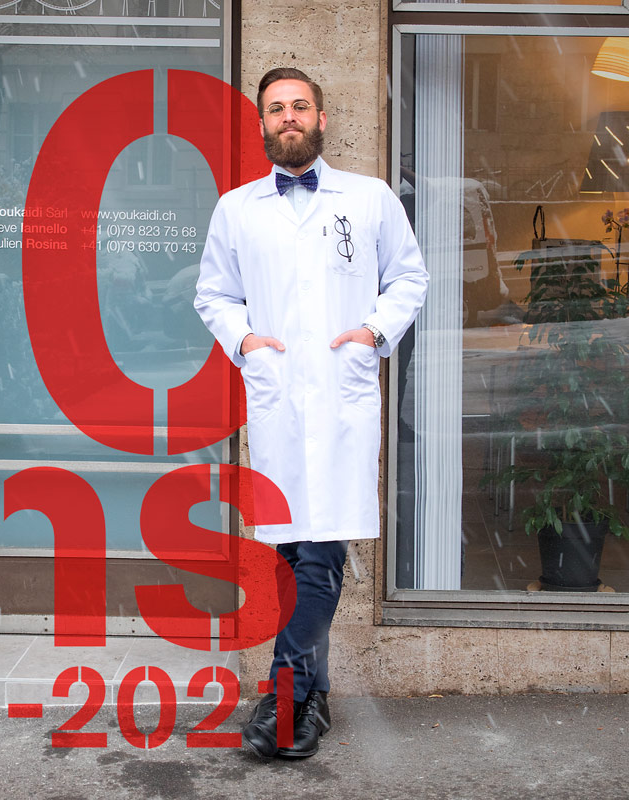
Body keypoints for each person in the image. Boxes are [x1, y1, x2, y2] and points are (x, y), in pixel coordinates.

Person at [194, 68, 428, 761]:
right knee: (295, 554)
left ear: (322, 120)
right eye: (276, 109)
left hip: (341, 398)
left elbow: (408, 277)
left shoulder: (370, 198)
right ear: (262, 124)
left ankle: (285, 693)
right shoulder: (237, 209)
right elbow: (214, 292)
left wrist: (373, 333)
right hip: (277, 403)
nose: (288, 117)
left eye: (300, 106)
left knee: (320, 553)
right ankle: (314, 695)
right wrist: (244, 341)